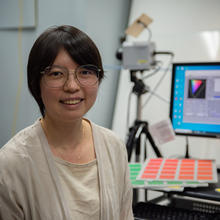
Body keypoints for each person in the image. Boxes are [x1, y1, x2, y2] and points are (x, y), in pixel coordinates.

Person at [0, 25, 134, 220]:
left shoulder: (113, 146)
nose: (72, 86)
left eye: (85, 72)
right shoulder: (11, 164)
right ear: (36, 82)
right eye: (56, 74)